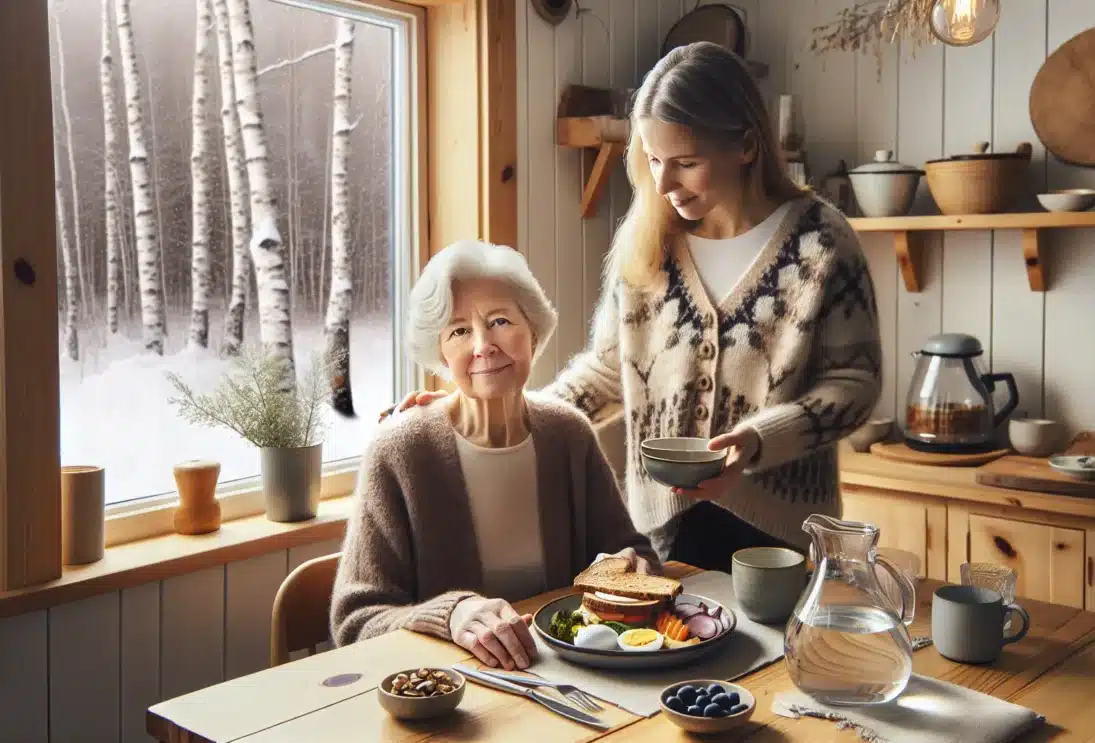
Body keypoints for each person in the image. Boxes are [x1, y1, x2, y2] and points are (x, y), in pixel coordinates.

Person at [380, 41, 883, 573]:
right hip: (664, 529)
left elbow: (854, 383)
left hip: (782, 534)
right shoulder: (650, 243)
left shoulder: (821, 243)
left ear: (747, 146)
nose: (664, 184)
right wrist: (482, 412)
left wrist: (758, 441)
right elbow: (608, 372)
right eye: (653, 160)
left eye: (686, 163)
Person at [331, 239, 658, 672]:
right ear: (441, 353)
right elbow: (355, 622)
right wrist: (449, 616)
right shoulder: (399, 451)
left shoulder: (569, 434)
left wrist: (632, 566)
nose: (483, 345)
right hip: (451, 697)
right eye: (460, 331)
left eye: (500, 321)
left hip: (569, 680)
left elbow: (633, 551)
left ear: (533, 333)